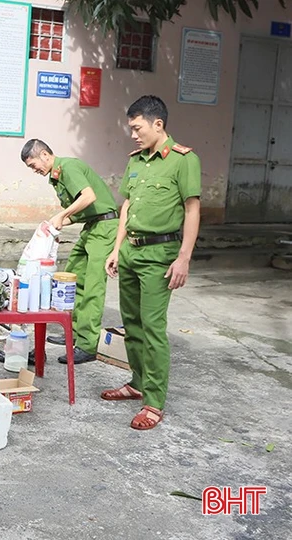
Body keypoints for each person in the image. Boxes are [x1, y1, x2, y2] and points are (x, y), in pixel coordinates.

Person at [104, 95, 201, 430]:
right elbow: (127, 206)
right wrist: (116, 249)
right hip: (130, 251)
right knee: (131, 322)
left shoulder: (183, 160)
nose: (133, 134)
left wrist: (184, 258)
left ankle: (154, 402)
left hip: (160, 256)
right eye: (131, 128)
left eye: (137, 127)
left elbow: (192, 209)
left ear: (157, 124)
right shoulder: (136, 160)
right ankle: (136, 382)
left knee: (152, 327)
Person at [20, 139, 120, 366]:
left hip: (105, 228)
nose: (34, 170)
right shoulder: (55, 178)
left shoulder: (68, 167)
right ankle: (72, 332)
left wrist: (62, 215)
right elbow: (83, 207)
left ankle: (87, 344)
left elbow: (88, 197)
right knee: (71, 279)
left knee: (93, 286)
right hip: (91, 226)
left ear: (45, 154)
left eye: (34, 164)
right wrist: (63, 221)